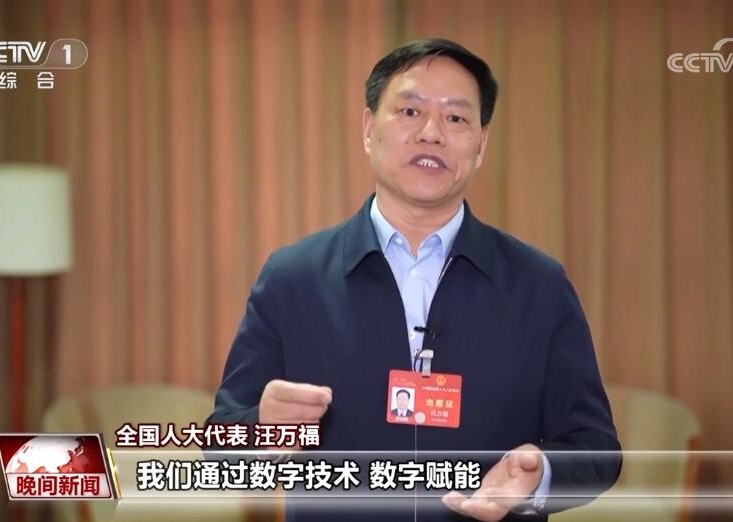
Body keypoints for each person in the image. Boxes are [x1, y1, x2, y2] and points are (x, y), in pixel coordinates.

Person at [208, 38, 621, 521]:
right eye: (409, 111)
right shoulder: (292, 278)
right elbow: (221, 446)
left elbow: (596, 449)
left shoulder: (539, 285)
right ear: (369, 129)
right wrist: (262, 429)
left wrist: (540, 475)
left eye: (456, 118)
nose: (431, 133)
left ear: (481, 144)